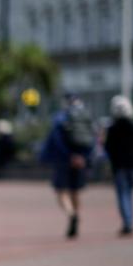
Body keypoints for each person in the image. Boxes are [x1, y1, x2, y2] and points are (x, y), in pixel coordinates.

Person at [40, 94, 95, 239]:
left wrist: (68, 156)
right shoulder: (86, 117)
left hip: (63, 160)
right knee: (75, 191)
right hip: (80, 159)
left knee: (61, 192)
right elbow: (92, 139)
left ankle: (71, 214)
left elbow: (55, 141)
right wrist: (82, 156)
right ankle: (76, 214)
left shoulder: (60, 118)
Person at [104, 95, 133, 237]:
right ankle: (129, 221)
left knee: (123, 195)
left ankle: (128, 222)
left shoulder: (112, 129)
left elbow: (107, 148)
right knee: (129, 194)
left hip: (119, 167)